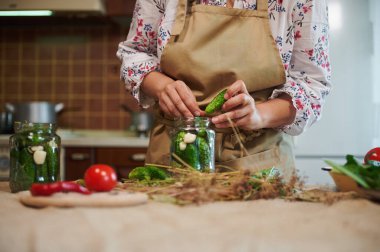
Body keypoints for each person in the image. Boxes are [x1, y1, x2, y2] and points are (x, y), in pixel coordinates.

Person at [117, 0, 331, 178]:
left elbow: (312, 85)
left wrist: (260, 115)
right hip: (175, 156)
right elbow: (134, 53)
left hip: (261, 163)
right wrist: (161, 86)